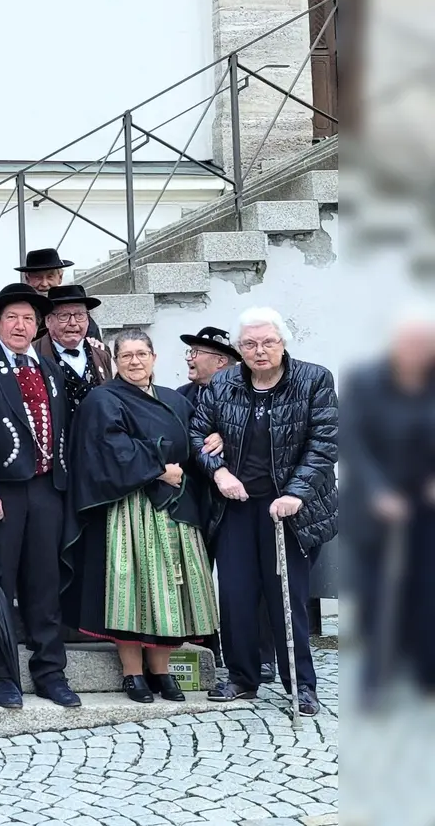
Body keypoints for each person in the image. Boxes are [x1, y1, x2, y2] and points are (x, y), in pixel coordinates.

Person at [191, 307, 337, 716]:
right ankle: (242, 678)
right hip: (236, 506)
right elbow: (196, 433)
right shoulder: (223, 383)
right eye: (250, 344)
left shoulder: (314, 379)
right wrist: (218, 473)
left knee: (285, 598)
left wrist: (295, 493)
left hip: (288, 510)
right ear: (239, 349)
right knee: (236, 595)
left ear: (283, 343)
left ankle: (301, 685)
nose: (260, 351)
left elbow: (324, 443)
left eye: (268, 342)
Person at [60, 329, 218, 704]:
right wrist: (158, 466)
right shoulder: (102, 399)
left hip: (175, 507)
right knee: (130, 591)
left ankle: (162, 671)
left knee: (170, 591)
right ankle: (133, 674)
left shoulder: (174, 401)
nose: (134, 361)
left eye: (141, 354)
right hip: (128, 509)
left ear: (154, 357)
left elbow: (192, 441)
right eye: (126, 355)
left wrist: (217, 439)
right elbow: (109, 448)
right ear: (115, 360)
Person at [0, 283, 79, 710]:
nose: (20, 325)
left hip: (47, 490)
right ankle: (3, 674)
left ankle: (50, 671)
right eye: (12, 318)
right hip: (1, 494)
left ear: (38, 324)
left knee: (44, 583)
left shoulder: (49, 368)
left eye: (27, 318)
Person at [342, 307, 435, 698]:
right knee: (375, 590)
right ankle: (376, 672)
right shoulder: (366, 382)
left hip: (428, 501)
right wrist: (378, 490)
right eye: (409, 343)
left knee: (426, 586)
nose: (416, 351)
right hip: (374, 501)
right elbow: (352, 441)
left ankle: (424, 667)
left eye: (424, 344)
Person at [176, 324, 272, 681]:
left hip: (238, 501)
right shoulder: (179, 396)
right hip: (195, 500)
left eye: (196, 354)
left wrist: (225, 435)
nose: (190, 359)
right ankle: (209, 645)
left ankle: (261, 653)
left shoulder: (248, 393)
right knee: (197, 577)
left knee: (250, 581)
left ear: (220, 362)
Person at [0, 248, 102, 348]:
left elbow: (95, 346)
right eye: (38, 277)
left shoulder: (75, 312)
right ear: (27, 279)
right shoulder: (9, 308)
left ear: (60, 277)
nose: (44, 284)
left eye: (50, 277)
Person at [34, 284, 114, 422]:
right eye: (64, 316)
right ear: (48, 320)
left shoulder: (102, 354)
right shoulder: (32, 355)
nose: (73, 322)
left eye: (79, 315)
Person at [177, 326, 238, 408]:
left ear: (220, 361)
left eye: (196, 352)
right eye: (191, 351)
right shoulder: (181, 395)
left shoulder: (243, 397)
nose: (188, 358)